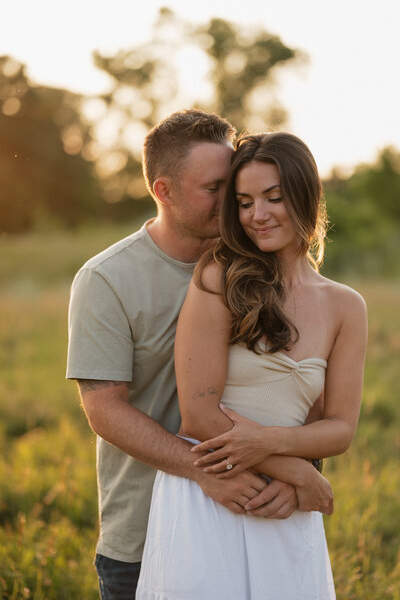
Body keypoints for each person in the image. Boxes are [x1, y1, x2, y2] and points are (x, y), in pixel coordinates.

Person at [67, 112, 333, 600]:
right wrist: (207, 471)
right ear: (164, 191)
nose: (235, 202)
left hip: (260, 515)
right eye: (215, 187)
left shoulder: (258, 266)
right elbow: (104, 409)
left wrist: (300, 472)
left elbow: (296, 387)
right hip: (145, 530)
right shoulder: (106, 279)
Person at [136, 132, 367, 600]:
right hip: (214, 493)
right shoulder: (219, 277)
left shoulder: (346, 306)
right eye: (243, 202)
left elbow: (340, 429)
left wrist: (282, 459)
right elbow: (199, 416)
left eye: (273, 198)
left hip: (283, 507)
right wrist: (298, 471)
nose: (257, 215)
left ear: (306, 195)